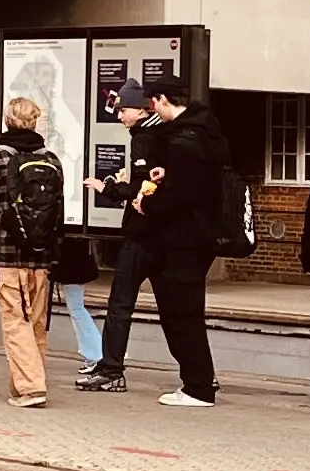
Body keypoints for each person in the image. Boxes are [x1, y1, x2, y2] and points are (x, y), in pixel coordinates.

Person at [78, 71, 227, 406]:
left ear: (155, 103)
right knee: (178, 312)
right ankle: (201, 377)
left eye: (124, 109)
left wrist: (132, 196)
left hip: (160, 236)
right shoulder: (199, 133)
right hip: (176, 238)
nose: (119, 116)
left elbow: (176, 192)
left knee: (162, 310)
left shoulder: (174, 138)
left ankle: (192, 384)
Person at [0, 92, 67, 406]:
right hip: (41, 257)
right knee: (34, 322)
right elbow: (58, 213)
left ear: (8, 121)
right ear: (34, 122)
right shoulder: (51, 159)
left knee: (14, 320)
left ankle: (32, 388)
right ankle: (20, 385)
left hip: (7, 252)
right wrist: (54, 255)